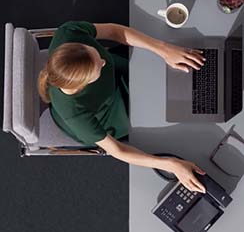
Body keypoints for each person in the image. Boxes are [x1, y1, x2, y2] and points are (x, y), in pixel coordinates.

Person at [38, 20, 206, 193]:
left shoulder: (68, 32)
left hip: (117, 75)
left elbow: (114, 32)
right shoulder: (76, 115)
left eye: (98, 54)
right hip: (109, 114)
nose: (103, 61)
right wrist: (171, 164)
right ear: (84, 84)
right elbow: (118, 150)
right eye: (100, 65)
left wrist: (163, 49)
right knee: (167, 113)